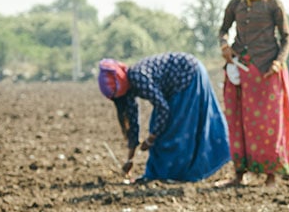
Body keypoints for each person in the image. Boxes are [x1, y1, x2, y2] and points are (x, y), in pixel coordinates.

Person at [218, 0, 289, 186]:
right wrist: (224, 46)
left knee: (269, 124)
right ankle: (239, 174)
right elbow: (223, 30)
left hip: (267, 71)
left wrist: (278, 62)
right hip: (240, 69)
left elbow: (286, 37)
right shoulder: (235, 4)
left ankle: (271, 174)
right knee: (238, 120)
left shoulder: (273, 4)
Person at [97, 53, 231, 184]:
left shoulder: (138, 78)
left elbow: (163, 108)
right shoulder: (129, 89)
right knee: (159, 127)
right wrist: (130, 159)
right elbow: (133, 123)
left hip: (188, 76)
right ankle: (166, 173)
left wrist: (151, 138)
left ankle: (176, 174)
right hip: (180, 82)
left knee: (171, 131)